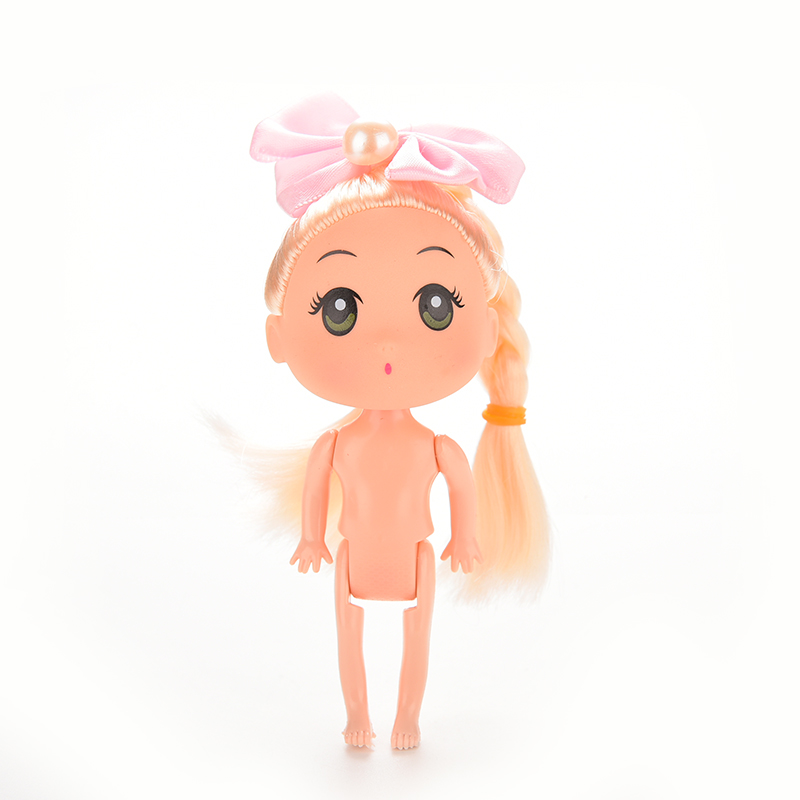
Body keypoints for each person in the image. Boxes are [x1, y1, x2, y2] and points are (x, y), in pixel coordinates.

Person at [250, 94, 548, 749]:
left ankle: (407, 716)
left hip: (417, 556)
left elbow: (462, 489)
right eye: (339, 308)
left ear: (488, 329)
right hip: (350, 557)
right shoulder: (335, 444)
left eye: (436, 304)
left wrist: (464, 537)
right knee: (348, 634)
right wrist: (312, 538)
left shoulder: (438, 447)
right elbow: (316, 491)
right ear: (278, 337)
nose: (387, 343)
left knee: (418, 635)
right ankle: (358, 715)